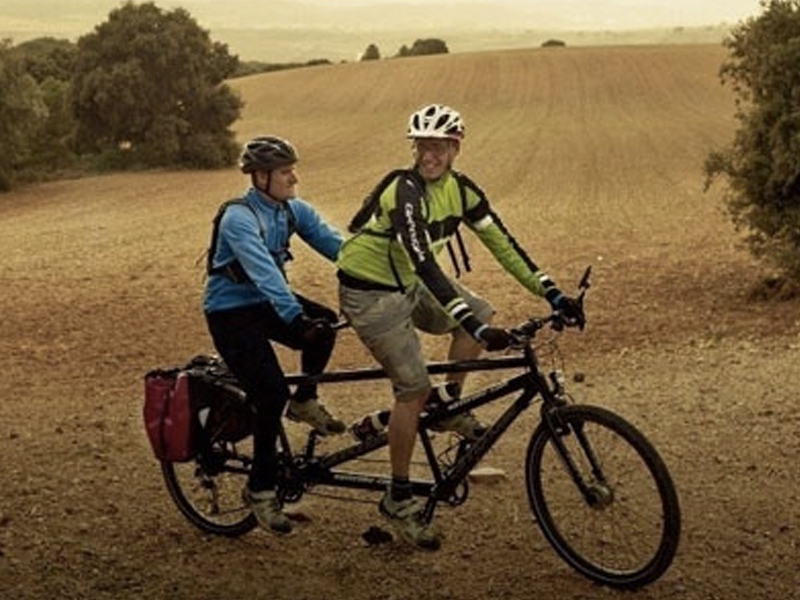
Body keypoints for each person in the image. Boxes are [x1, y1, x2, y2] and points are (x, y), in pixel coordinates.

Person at [336, 104, 584, 549]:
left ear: (454, 149)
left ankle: (447, 404)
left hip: (409, 284)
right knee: (412, 389)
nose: (429, 154)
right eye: (422, 146)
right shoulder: (403, 190)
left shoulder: (461, 191)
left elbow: (504, 245)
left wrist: (552, 292)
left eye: (439, 146)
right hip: (371, 292)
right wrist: (467, 320)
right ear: (415, 149)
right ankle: (398, 497)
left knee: (481, 314)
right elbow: (424, 262)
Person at [204, 135, 345, 534]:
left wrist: (376, 269)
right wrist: (294, 318)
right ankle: (261, 491)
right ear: (261, 177)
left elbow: (337, 245)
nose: (294, 178)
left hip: (265, 304)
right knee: (269, 393)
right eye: (286, 172)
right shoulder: (239, 217)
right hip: (230, 313)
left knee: (326, 323)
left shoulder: (290, 211)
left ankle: (306, 400)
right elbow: (264, 272)